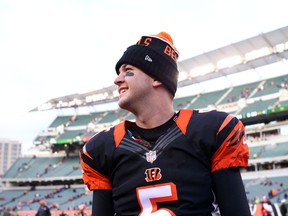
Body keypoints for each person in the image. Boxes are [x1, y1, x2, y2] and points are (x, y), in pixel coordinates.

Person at [79, 31, 251, 215]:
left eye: (128, 72)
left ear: (156, 78)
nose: (117, 79)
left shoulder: (211, 131)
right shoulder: (104, 148)